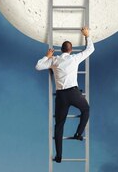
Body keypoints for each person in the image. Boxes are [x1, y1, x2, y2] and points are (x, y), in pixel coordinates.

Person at [35, 27, 95, 163]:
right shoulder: (74, 58)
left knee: (59, 125)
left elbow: (38, 66)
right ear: (70, 50)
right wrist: (87, 35)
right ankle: (78, 133)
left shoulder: (54, 60)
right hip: (73, 93)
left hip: (61, 96)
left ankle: (59, 156)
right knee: (86, 109)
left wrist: (47, 56)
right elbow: (90, 49)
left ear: (61, 50)